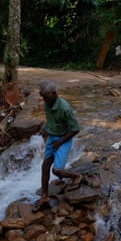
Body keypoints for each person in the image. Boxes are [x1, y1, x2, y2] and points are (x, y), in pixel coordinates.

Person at [32, 80, 83, 212]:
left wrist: (60, 142)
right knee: (45, 166)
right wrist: (45, 129)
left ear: (54, 94)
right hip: (52, 137)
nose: (44, 100)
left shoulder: (65, 108)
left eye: (46, 97)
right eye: (42, 97)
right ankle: (44, 196)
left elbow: (75, 129)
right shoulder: (47, 103)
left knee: (57, 171)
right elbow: (51, 120)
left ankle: (77, 176)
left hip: (64, 139)